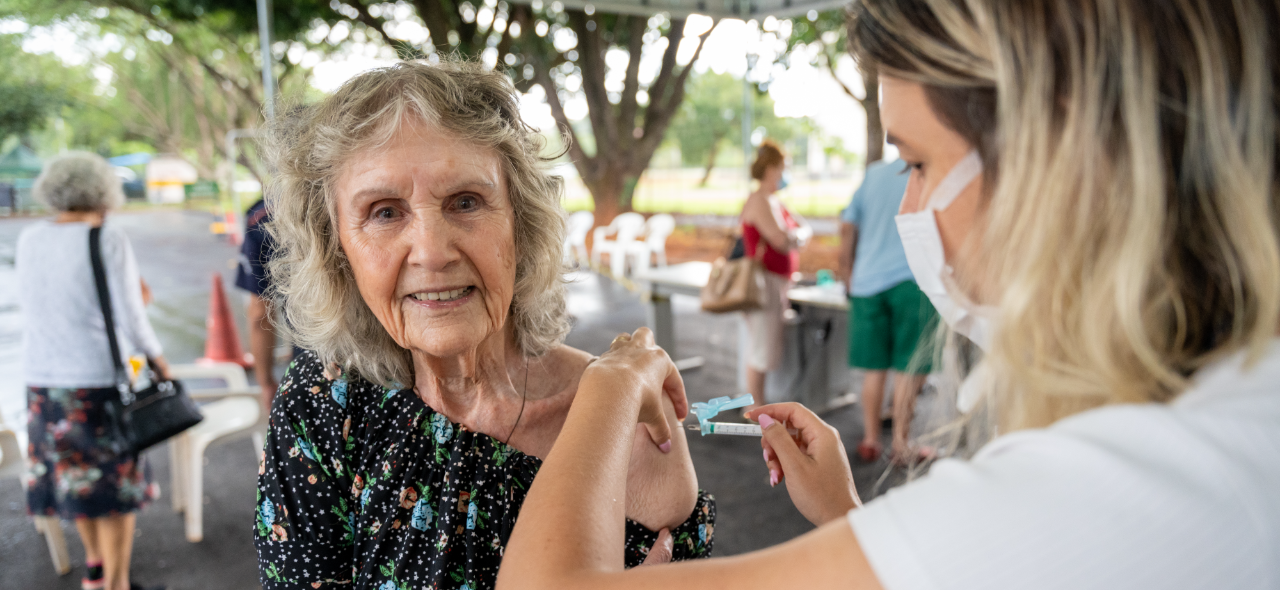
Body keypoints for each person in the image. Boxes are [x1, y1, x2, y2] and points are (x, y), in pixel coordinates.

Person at [494, 0, 1280, 588]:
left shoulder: (1091, 496)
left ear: (1061, 163)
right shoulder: (1230, 416)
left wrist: (610, 381)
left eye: (918, 164)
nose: (908, 210)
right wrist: (849, 521)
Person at [252, 60, 714, 590]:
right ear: (338, 251)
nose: (431, 251)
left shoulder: (628, 424)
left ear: (522, 222)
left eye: (466, 202)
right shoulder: (323, 403)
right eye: (384, 212)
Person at [18, 152, 170, 590]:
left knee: (76, 483)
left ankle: (96, 569)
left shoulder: (30, 239)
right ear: (103, 191)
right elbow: (132, 317)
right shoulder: (106, 238)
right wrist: (159, 361)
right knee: (116, 491)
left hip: (44, 385)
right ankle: (117, 585)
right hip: (96, 384)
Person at [838, 159, 939, 464]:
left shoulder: (873, 174)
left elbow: (846, 225)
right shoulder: (930, 173)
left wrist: (847, 271)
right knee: (909, 368)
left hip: (867, 282)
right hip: (913, 281)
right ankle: (901, 443)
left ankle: (870, 440)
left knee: (874, 369)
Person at [738, 140, 811, 416]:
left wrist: (796, 237)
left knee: (763, 345)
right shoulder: (759, 200)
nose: (786, 173)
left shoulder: (774, 201)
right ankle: (755, 408)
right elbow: (782, 239)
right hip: (764, 283)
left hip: (777, 282)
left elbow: (803, 230)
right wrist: (796, 238)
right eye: (783, 167)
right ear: (771, 169)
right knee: (761, 347)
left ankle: (757, 404)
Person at [235, 197, 284, 414]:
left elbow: (260, 313)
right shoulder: (344, 192)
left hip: (317, 369)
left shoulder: (261, 216)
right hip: (383, 360)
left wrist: (266, 382)